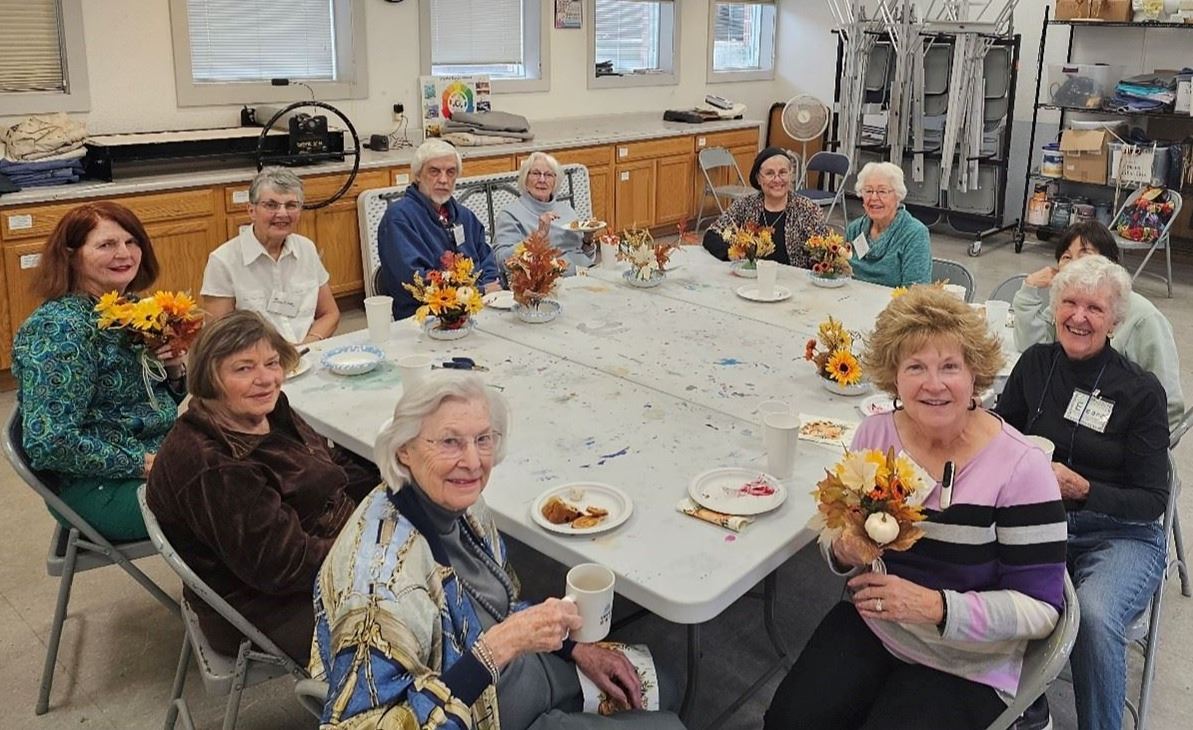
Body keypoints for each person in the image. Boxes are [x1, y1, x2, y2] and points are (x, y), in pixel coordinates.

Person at [766, 286, 1067, 730]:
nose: (933, 384)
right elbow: (836, 526)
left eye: (950, 366)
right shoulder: (876, 435)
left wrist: (937, 607)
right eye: (916, 367)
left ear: (975, 375)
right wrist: (844, 549)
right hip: (880, 626)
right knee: (787, 722)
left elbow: (1041, 609)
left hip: (969, 662)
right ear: (894, 376)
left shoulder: (1021, 469)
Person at [311, 373, 684, 729]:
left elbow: (500, 605)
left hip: (520, 671)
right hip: (483, 716)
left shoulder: (460, 502)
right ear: (404, 450)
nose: (473, 462)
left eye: (483, 439)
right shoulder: (381, 589)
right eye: (449, 442)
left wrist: (574, 649)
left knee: (664, 684)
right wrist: (495, 651)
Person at [145, 311, 378, 664]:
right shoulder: (217, 465)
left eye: (272, 363)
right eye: (244, 368)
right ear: (210, 377)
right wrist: (377, 552)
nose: (266, 379)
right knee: (438, 604)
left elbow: (330, 471)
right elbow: (286, 566)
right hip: (272, 608)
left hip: (322, 550)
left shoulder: (263, 413)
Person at [997, 256, 1169, 730]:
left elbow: (1152, 500)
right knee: (985, 589)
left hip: (1120, 533)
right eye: (1069, 302)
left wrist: (1084, 488)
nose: (1079, 316)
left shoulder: (1140, 391)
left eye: (1094, 307)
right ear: (1054, 309)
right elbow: (998, 434)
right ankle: (1026, 715)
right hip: (1039, 521)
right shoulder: (1035, 364)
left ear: (1114, 320)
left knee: (1093, 616)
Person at [12, 202, 186, 541]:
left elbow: (149, 399)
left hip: (159, 453)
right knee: (240, 496)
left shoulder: (132, 308)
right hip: (98, 486)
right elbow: (50, 443)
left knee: (272, 465)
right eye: (106, 245)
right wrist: (145, 463)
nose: (124, 253)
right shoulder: (58, 330)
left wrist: (172, 367)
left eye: (131, 242)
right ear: (71, 255)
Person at [1012, 220, 1184, 430]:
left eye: (1085, 255)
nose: (1074, 264)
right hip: (1061, 422)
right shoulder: (1065, 306)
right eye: (1066, 257)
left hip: (1116, 434)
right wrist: (1029, 290)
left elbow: (1168, 405)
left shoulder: (1145, 318)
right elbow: (1034, 353)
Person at [201, 167, 340, 344]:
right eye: (271, 205)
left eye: (291, 205)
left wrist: (308, 344)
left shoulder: (306, 248)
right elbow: (218, 338)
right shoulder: (223, 262)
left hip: (307, 351)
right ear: (251, 210)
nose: (282, 213)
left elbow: (330, 314)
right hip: (256, 362)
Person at [378, 139, 502, 320]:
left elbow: (486, 258)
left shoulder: (464, 216)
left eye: (450, 172)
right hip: (426, 317)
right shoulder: (398, 218)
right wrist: (479, 291)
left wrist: (491, 288)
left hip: (477, 308)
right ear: (418, 175)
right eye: (434, 171)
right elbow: (417, 281)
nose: (443, 180)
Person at [701, 147, 828, 268]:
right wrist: (729, 253)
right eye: (769, 173)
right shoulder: (745, 205)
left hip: (793, 284)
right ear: (758, 179)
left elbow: (826, 251)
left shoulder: (807, 209)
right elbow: (711, 234)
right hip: (750, 281)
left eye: (783, 172)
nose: (777, 179)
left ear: (790, 175)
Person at [492, 152, 595, 275]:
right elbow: (501, 261)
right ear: (525, 179)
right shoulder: (510, 215)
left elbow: (585, 255)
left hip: (584, 275)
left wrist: (588, 241)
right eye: (536, 173)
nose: (542, 180)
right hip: (545, 285)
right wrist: (538, 236)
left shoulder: (567, 210)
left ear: (555, 181)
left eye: (548, 175)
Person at [844, 161, 932, 288]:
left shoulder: (914, 234)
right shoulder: (854, 229)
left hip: (895, 306)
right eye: (868, 191)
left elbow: (916, 292)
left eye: (882, 191)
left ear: (897, 196)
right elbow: (842, 274)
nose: (874, 197)